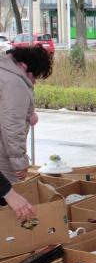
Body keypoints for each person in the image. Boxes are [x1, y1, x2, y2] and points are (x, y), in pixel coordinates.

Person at [0, 45, 51, 183]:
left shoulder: (4, 71)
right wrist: (20, 163)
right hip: (3, 154)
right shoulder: (15, 83)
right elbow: (12, 125)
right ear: (25, 66)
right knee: (10, 196)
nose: (34, 81)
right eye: (34, 75)